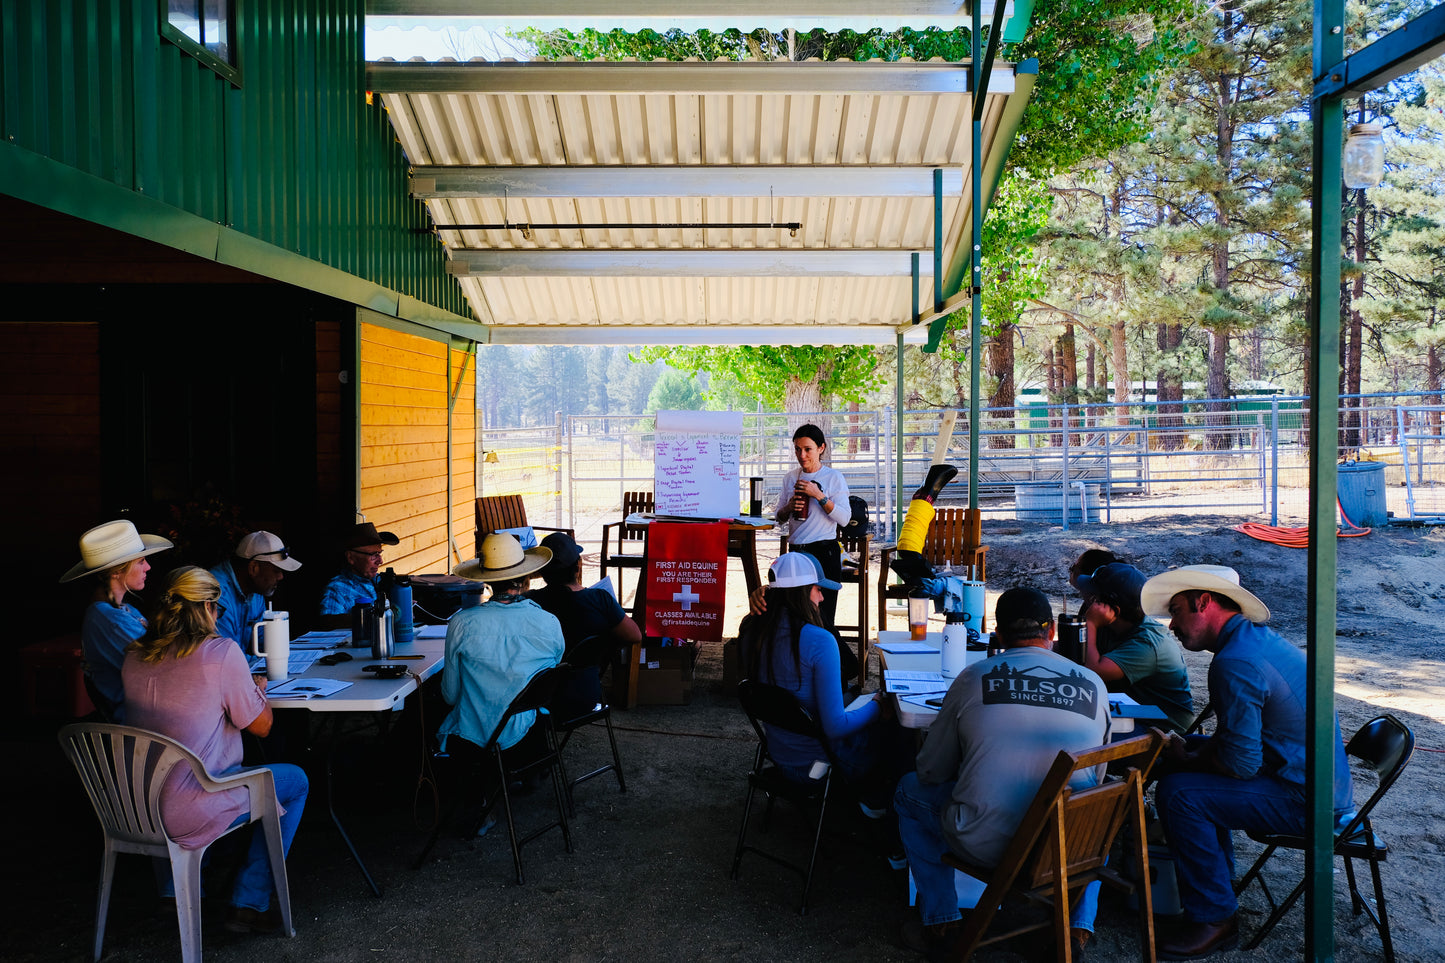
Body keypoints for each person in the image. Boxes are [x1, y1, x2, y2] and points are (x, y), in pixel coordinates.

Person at [1140, 565, 1354, 961]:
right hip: (1311, 781)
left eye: (1177, 610)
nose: (1172, 625)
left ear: (1203, 603)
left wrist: (1189, 759)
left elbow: (1240, 763)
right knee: (1189, 761)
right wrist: (1193, 753)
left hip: (1308, 800)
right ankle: (1216, 885)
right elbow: (1240, 741)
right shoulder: (1252, 643)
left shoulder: (1236, 661)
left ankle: (1214, 919)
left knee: (1179, 794)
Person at [894, 587, 1110, 958]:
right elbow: (1099, 778)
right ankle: (1075, 932)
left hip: (986, 843)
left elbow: (930, 771)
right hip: (1067, 849)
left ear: (997, 635)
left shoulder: (973, 677)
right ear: (1052, 633)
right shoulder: (1093, 683)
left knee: (909, 791)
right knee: (1093, 812)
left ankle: (942, 920)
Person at [122, 566, 308, 935]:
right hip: (190, 809)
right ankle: (249, 902)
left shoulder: (132, 656)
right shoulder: (220, 652)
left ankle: (175, 892)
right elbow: (261, 726)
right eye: (218, 610)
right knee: (295, 780)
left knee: (185, 774)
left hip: (135, 807)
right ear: (208, 608)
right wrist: (258, 689)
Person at [736, 553, 899, 817]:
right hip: (819, 766)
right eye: (818, 589)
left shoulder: (751, 629)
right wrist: (879, 706)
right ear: (801, 592)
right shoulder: (817, 640)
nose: (822, 598)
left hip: (779, 756)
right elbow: (836, 727)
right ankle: (876, 802)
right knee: (902, 726)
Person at [438, 534, 565, 767]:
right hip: (529, 741)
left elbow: (450, 695)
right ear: (527, 577)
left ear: (487, 580)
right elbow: (552, 673)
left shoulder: (463, 623)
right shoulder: (549, 622)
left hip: (472, 743)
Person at [61, 519, 173, 722]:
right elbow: (163, 666)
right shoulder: (110, 620)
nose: (148, 567)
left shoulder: (121, 609)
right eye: (140, 561)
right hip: (139, 724)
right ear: (115, 571)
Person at [525, 532, 642, 719]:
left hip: (539, 697)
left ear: (542, 571)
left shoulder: (529, 603)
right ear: (577, 567)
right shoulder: (600, 599)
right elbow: (634, 635)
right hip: (586, 694)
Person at [1075, 562, 1194, 732]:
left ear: (1112, 610)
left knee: (1083, 734)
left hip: (1163, 730)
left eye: (1095, 599)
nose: (1089, 601)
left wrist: (1090, 623)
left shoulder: (1148, 644)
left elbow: (1092, 672)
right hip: (1133, 714)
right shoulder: (1111, 627)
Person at [774, 423, 853, 629]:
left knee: (823, 619)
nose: (802, 455)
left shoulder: (833, 477)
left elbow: (844, 518)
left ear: (821, 448)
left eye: (808, 449)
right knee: (795, 617)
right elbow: (779, 517)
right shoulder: (790, 477)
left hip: (823, 551)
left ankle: (836, 658)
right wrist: (790, 507)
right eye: (797, 449)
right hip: (797, 552)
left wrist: (818, 495)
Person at [210, 531, 302, 650]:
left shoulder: (255, 589)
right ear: (254, 568)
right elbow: (225, 656)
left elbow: (264, 643)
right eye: (276, 570)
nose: (281, 577)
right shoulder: (216, 594)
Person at [319, 522, 398, 622]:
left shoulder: (377, 580)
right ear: (351, 557)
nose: (380, 561)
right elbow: (329, 625)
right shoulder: (338, 590)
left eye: (379, 553)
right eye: (373, 555)